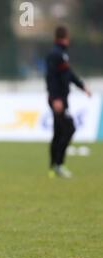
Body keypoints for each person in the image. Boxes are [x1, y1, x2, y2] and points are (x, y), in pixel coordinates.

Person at [46, 26, 91, 179]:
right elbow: (50, 78)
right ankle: (58, 165)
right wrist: (55, 99)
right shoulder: (55, 54)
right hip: (58, 99)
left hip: (61, 99)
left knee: (58, 132)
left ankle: (53, 167)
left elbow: (68, 74)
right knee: (69, 128)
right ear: (65, 37)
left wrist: (82, 86)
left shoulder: (62, 54)